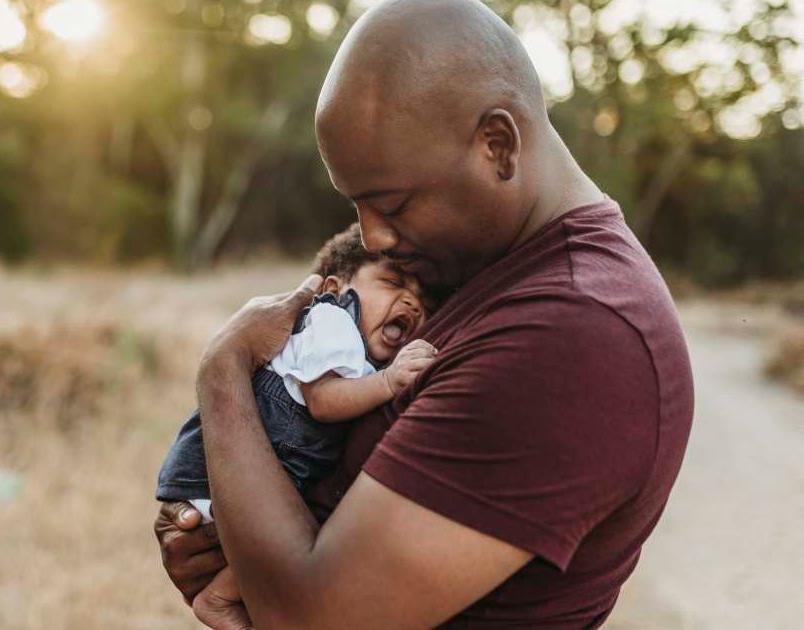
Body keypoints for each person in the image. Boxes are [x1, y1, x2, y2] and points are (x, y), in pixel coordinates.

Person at [153, 0, 694, 628]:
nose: (374, 238)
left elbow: (309, 619)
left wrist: (222, 370)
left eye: (394, 204)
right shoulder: (476, 270)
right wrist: (228, 530)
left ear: (497, 144)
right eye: (358, 206)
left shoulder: (576, 331)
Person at [156, 224, 436, 629]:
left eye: (424, 301)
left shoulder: (362, 355)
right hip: (232, 471)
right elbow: (322, 401)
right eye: (393, 281)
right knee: (277, 538)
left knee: (281, 538)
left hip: (267, 469)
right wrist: (390, 382)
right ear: (335, 288)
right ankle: (218, 598)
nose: (411, 301)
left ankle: (223, 595)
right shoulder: (333, 322)